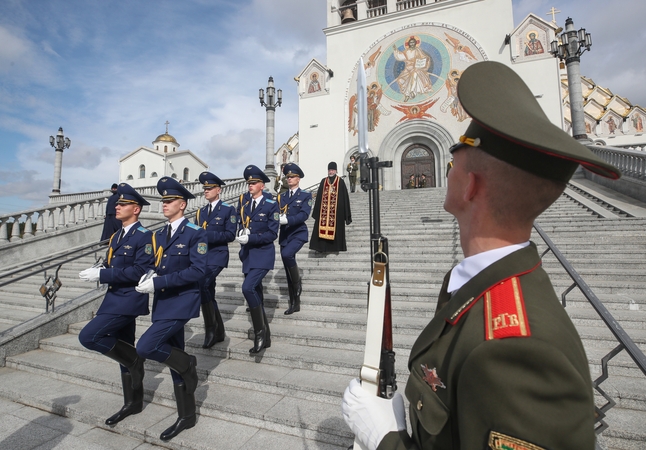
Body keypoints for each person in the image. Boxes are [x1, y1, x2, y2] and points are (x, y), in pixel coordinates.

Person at [342, 61, 621, 450]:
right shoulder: (488, 287)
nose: (451, 169)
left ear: (471, 186)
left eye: (455, 161)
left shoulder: (516, 349)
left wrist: (385, 441)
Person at [135, 177, 206, 442]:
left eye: (169, 201)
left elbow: (198, 270)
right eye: (162, 201)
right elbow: (156, 263)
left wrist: (159, 281)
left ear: (182, 204)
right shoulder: (159, 234)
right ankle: (186, 416)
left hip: (181, 302)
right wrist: (149, 275)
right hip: (163, 303)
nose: (164, 205)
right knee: (174, 357)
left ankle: (190, 364)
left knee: (145, 347)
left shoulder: (195, 232)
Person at [78, 183, 154, 426]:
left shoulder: (145, 236)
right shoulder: (116, 236)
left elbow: (139, 270)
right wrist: (101, 269)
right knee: (123, 346)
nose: (117, 207)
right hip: (113, 298)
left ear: (136, 209)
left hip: (128, 301)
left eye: (122, 204)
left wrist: (103, 276)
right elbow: (116, 266)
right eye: (117, 203)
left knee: (89, 336)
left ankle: (136, 359)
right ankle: (132, 402)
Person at [236, 165, 279, 353]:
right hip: (248, 255)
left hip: (262, 255)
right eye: (248, 183)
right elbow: (240, 223)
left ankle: (259, 332)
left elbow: (272, 234)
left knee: (248, 288)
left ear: (262, 185)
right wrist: (241, 232)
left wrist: (251, 237)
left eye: (253, 183)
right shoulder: (245, 205)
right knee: (257, 294)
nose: (250, 185)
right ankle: (266, 337)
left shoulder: (271, 205)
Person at [195, 171, 236, 348]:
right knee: (208, 292)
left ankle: (211, 329)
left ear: (218, 190)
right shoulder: (200, 212)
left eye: (209, 188)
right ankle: (218, 331)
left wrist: (205, 235)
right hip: (202, 257)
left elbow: (230, 234)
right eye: (204, 188)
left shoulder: (228, 210)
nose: (206, 191)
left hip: (217, 256)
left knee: (202, 285)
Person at [277, 163, 312, 315]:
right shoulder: (281, 196)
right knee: (287, 269)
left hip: (298, 233)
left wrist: (288, 220)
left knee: (287, 255)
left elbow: (304, 214)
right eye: (287, 177)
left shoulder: (305, 195)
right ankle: (294, 303)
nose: (289, 179)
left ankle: (298, 284)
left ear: (298, 179)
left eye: (292, 177)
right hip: (285, 235)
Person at [309, 162, 352, 253]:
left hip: (336, 212)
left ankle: (334, 248)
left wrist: (346, 214)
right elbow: (319, 197)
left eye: (332, 170)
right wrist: (316, 212)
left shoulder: (340, 182)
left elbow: (345, 198)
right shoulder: (323, 181)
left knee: (335, 229)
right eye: (329, 170)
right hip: (324, 212)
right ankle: (322, 248)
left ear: (336, 171)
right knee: (321, 229)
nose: (331, 172)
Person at [392, 36, 433, 102]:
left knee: (414, 75)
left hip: (416, 68)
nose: (411, 43)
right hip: (408, 68)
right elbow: (401, 57)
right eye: (410, 42)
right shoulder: (407, 51)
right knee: (400, 80)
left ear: (415, 43)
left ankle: (410, 93)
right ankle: (408, 93)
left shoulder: (418, 50)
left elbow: (423, 57)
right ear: (408, 44)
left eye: (413, 42)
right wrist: (396, 50)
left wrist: (425, 59)